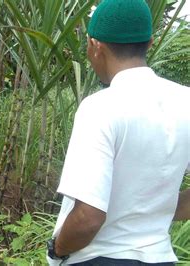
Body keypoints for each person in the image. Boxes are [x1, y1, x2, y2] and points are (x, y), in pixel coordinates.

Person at [47, 0, 190, 265]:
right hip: (160, 259)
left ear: (95, 46)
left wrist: (57, 249)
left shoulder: (100, 108)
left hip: (99, 258)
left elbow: (88, 218)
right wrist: (159, 209)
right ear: (149, 43)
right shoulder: (186, 101)